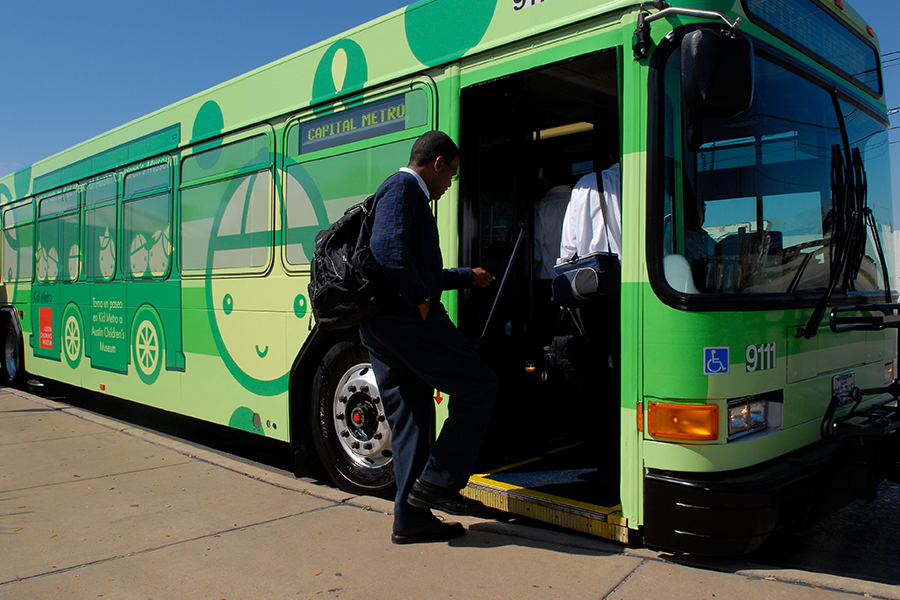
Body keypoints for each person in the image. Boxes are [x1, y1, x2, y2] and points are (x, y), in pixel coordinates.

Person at [360, 130, 499, 545]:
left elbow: (413, 266)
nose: (451, 182)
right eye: (452, 172)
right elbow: (386, 248)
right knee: (480, 385)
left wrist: (465, 277)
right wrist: (421, 301)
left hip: (383, 326)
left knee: (413, 421)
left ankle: (410, 519)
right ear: (437, 163)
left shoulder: (400, 192)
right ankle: (438, 482)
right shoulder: (405, 186)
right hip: (406, 323)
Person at [558, 162, 622, 263]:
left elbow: (569, 244)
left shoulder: (587, 183)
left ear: (610, 155)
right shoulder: (647, 178)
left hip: (595, 271)